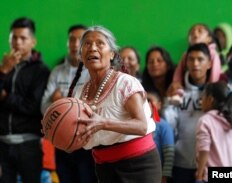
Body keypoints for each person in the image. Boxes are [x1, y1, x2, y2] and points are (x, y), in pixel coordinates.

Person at [69, 25, 161, 183]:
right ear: (81, 56)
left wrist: (103, 123)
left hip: (139, 165)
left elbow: (141, 126)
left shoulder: (125, 83)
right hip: (104, 167)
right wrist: (58, 132)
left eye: (100, 43)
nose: (92, 48)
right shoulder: (79, 93)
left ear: (112, 54)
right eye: (87, 44)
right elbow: (78, 137)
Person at [41, 24, 96, 183]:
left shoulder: (94, 71)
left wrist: (60, 101)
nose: (74, 44)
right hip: (61, 142)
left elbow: (94, 106)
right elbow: (44, 107)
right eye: (71, 39)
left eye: (80, 40)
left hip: (86, 143)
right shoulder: (56, 72)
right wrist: (76, 104)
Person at [0, 17, 50, 183]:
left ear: (33, 42)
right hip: (3, 143)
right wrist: (3, 71)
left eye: (23, 38)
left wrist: (5, 97)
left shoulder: (41, 71)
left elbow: (33, 106)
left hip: (28, 144)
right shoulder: (4, 66)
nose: (17, 42)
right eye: (14, 38)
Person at [162, 43, 212, 183]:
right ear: (186, 63)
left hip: (209, 163)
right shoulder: (177, 91)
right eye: (191, 59)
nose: (195, 63)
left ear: (209, 63)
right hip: (180, 163)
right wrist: (169, 100)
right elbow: (169, 125)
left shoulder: (216, 93)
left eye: (200, 59)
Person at [195, 81, 232, 183]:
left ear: (210, 99)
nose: (201, 101)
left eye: (203, 97)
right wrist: (231, 153)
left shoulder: (205, 120)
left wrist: (199, 174)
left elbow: (204, 150)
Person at [167, 23, 221, 104]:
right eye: (192, 33)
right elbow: (179, 70)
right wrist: (176, 83)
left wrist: (210, 91)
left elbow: (215, 73)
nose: (195, 33)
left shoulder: (212, 53)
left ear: (209, 38)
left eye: (200, 31)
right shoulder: (186, 54)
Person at [147, 90, 175, 183]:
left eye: (149, 101)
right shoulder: (137, 125)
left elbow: (169, 154)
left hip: (157, 174)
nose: (146, 104)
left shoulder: (163, 126)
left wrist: (164, 176)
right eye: (143, 101)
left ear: (159, 105)